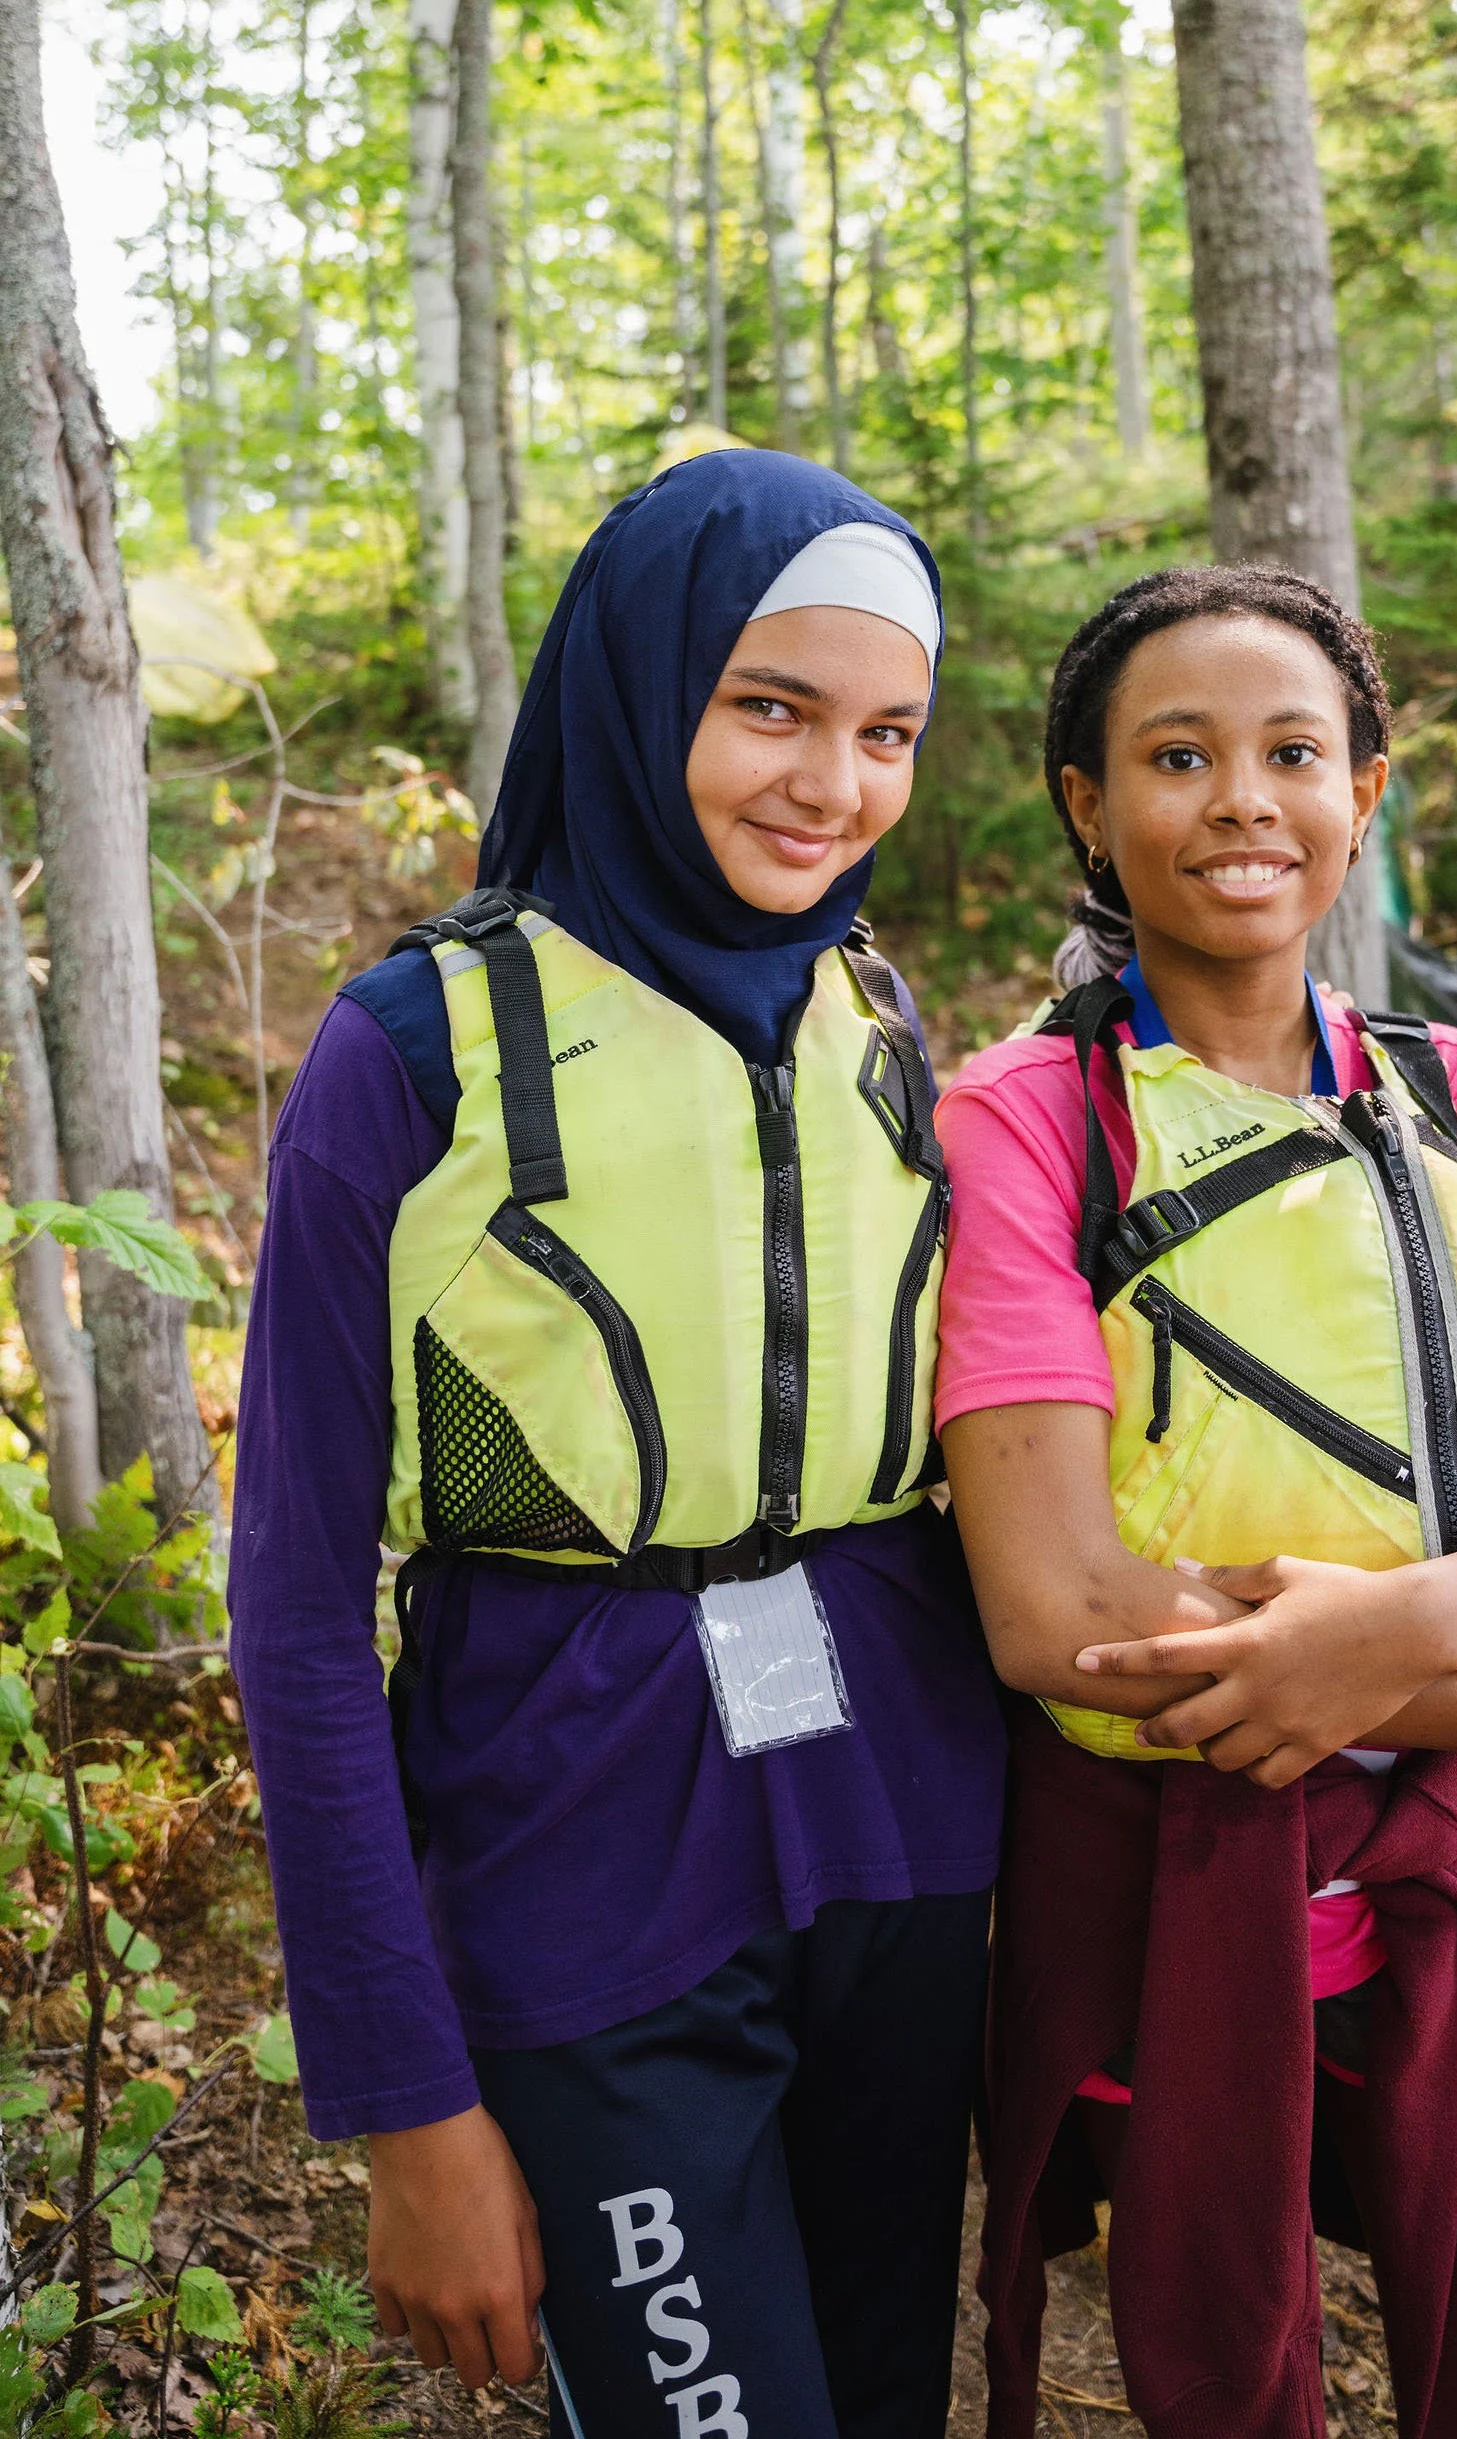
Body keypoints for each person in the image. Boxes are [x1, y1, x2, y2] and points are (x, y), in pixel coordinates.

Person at [229, 451, 1006, 2439]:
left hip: (897, 1851)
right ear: (639, 681)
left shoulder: (876, 1020)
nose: (832, 782)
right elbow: (305, 1619)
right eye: (771, 706)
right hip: (575, 1867)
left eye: (887, 731)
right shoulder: (414, 1050)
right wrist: (406, 2101)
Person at [935, 565, 1457, 2439]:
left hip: (1448, 1858)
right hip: (1170, 1871)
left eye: (1294, 752)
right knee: (1223, 2346)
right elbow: (1056, 1617)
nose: (1240, 803)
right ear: (1086, 807)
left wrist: (1409, 1640)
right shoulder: (1027, 1121)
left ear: (1367, 789)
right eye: (1175, 757)